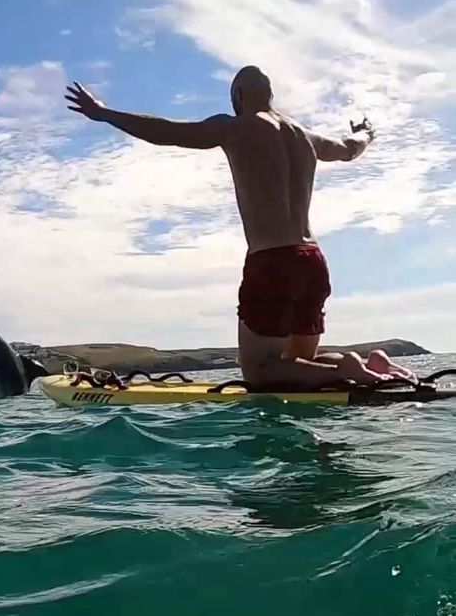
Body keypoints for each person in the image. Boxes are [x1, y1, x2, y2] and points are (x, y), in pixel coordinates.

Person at [63, 65, 416, 389]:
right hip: (313, 259)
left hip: (273, 261)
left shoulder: (233, 127)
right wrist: (368, 132)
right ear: (270, 94)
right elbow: (349, 148)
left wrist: (104, 113)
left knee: (260, 373)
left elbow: (166, 132)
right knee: (296, 364)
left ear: (237, 98)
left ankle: (348, 369)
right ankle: (374, 365)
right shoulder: (305, 136)